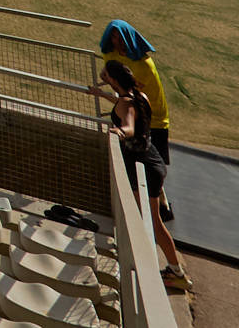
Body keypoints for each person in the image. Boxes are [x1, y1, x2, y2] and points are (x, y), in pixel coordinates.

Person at [96, 60, 192, 292]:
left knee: (153, 223)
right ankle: (171, 268)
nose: (102, 75)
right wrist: (101, 93)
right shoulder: (139, 97)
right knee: (150, 219)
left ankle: (176, 272)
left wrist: (119, 131)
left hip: (144, 167)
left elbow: (128, 124)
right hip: (152, 160)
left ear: (115, 79)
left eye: (106, 74)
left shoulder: (126, 104)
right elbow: (125, 107)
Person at [98, 19, 175, 219]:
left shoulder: (144, 65)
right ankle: (160, 205)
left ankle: (160, 205)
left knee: (152, 160)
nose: (116, 41)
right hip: (134, 114)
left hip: (152, 118)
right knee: (145, 161)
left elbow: (132, 94)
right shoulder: (110, 56)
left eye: (120, 37)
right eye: (113, 36)